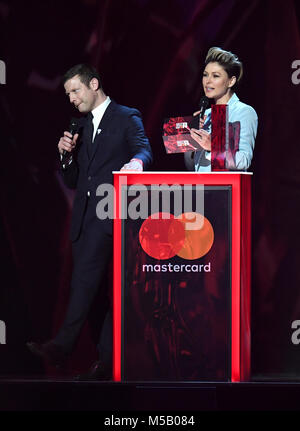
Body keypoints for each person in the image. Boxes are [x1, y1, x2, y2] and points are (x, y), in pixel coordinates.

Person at [27, 64, 153, 379]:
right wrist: (65, 156)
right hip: (84, 220)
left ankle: (61, 346)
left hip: (111, 215)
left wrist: (135, 164)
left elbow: (144, 150)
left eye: (75, 90)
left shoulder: (126, 116)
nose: (71, 98)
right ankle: (107, 361)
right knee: (96, 294)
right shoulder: (79, 127)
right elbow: (72, 181)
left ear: (93, 84)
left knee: (83, 281)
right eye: (68, 93)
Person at [184, 46, 258, 171]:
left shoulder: (244, 112)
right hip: (201, 187)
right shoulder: (206, 115)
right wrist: (191, 140)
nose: (208, 81)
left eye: (216, 76)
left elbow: (244, 160)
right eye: (205, 75)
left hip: (227, 188)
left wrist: (212, 146)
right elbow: (192, 166)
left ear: (231, 81)